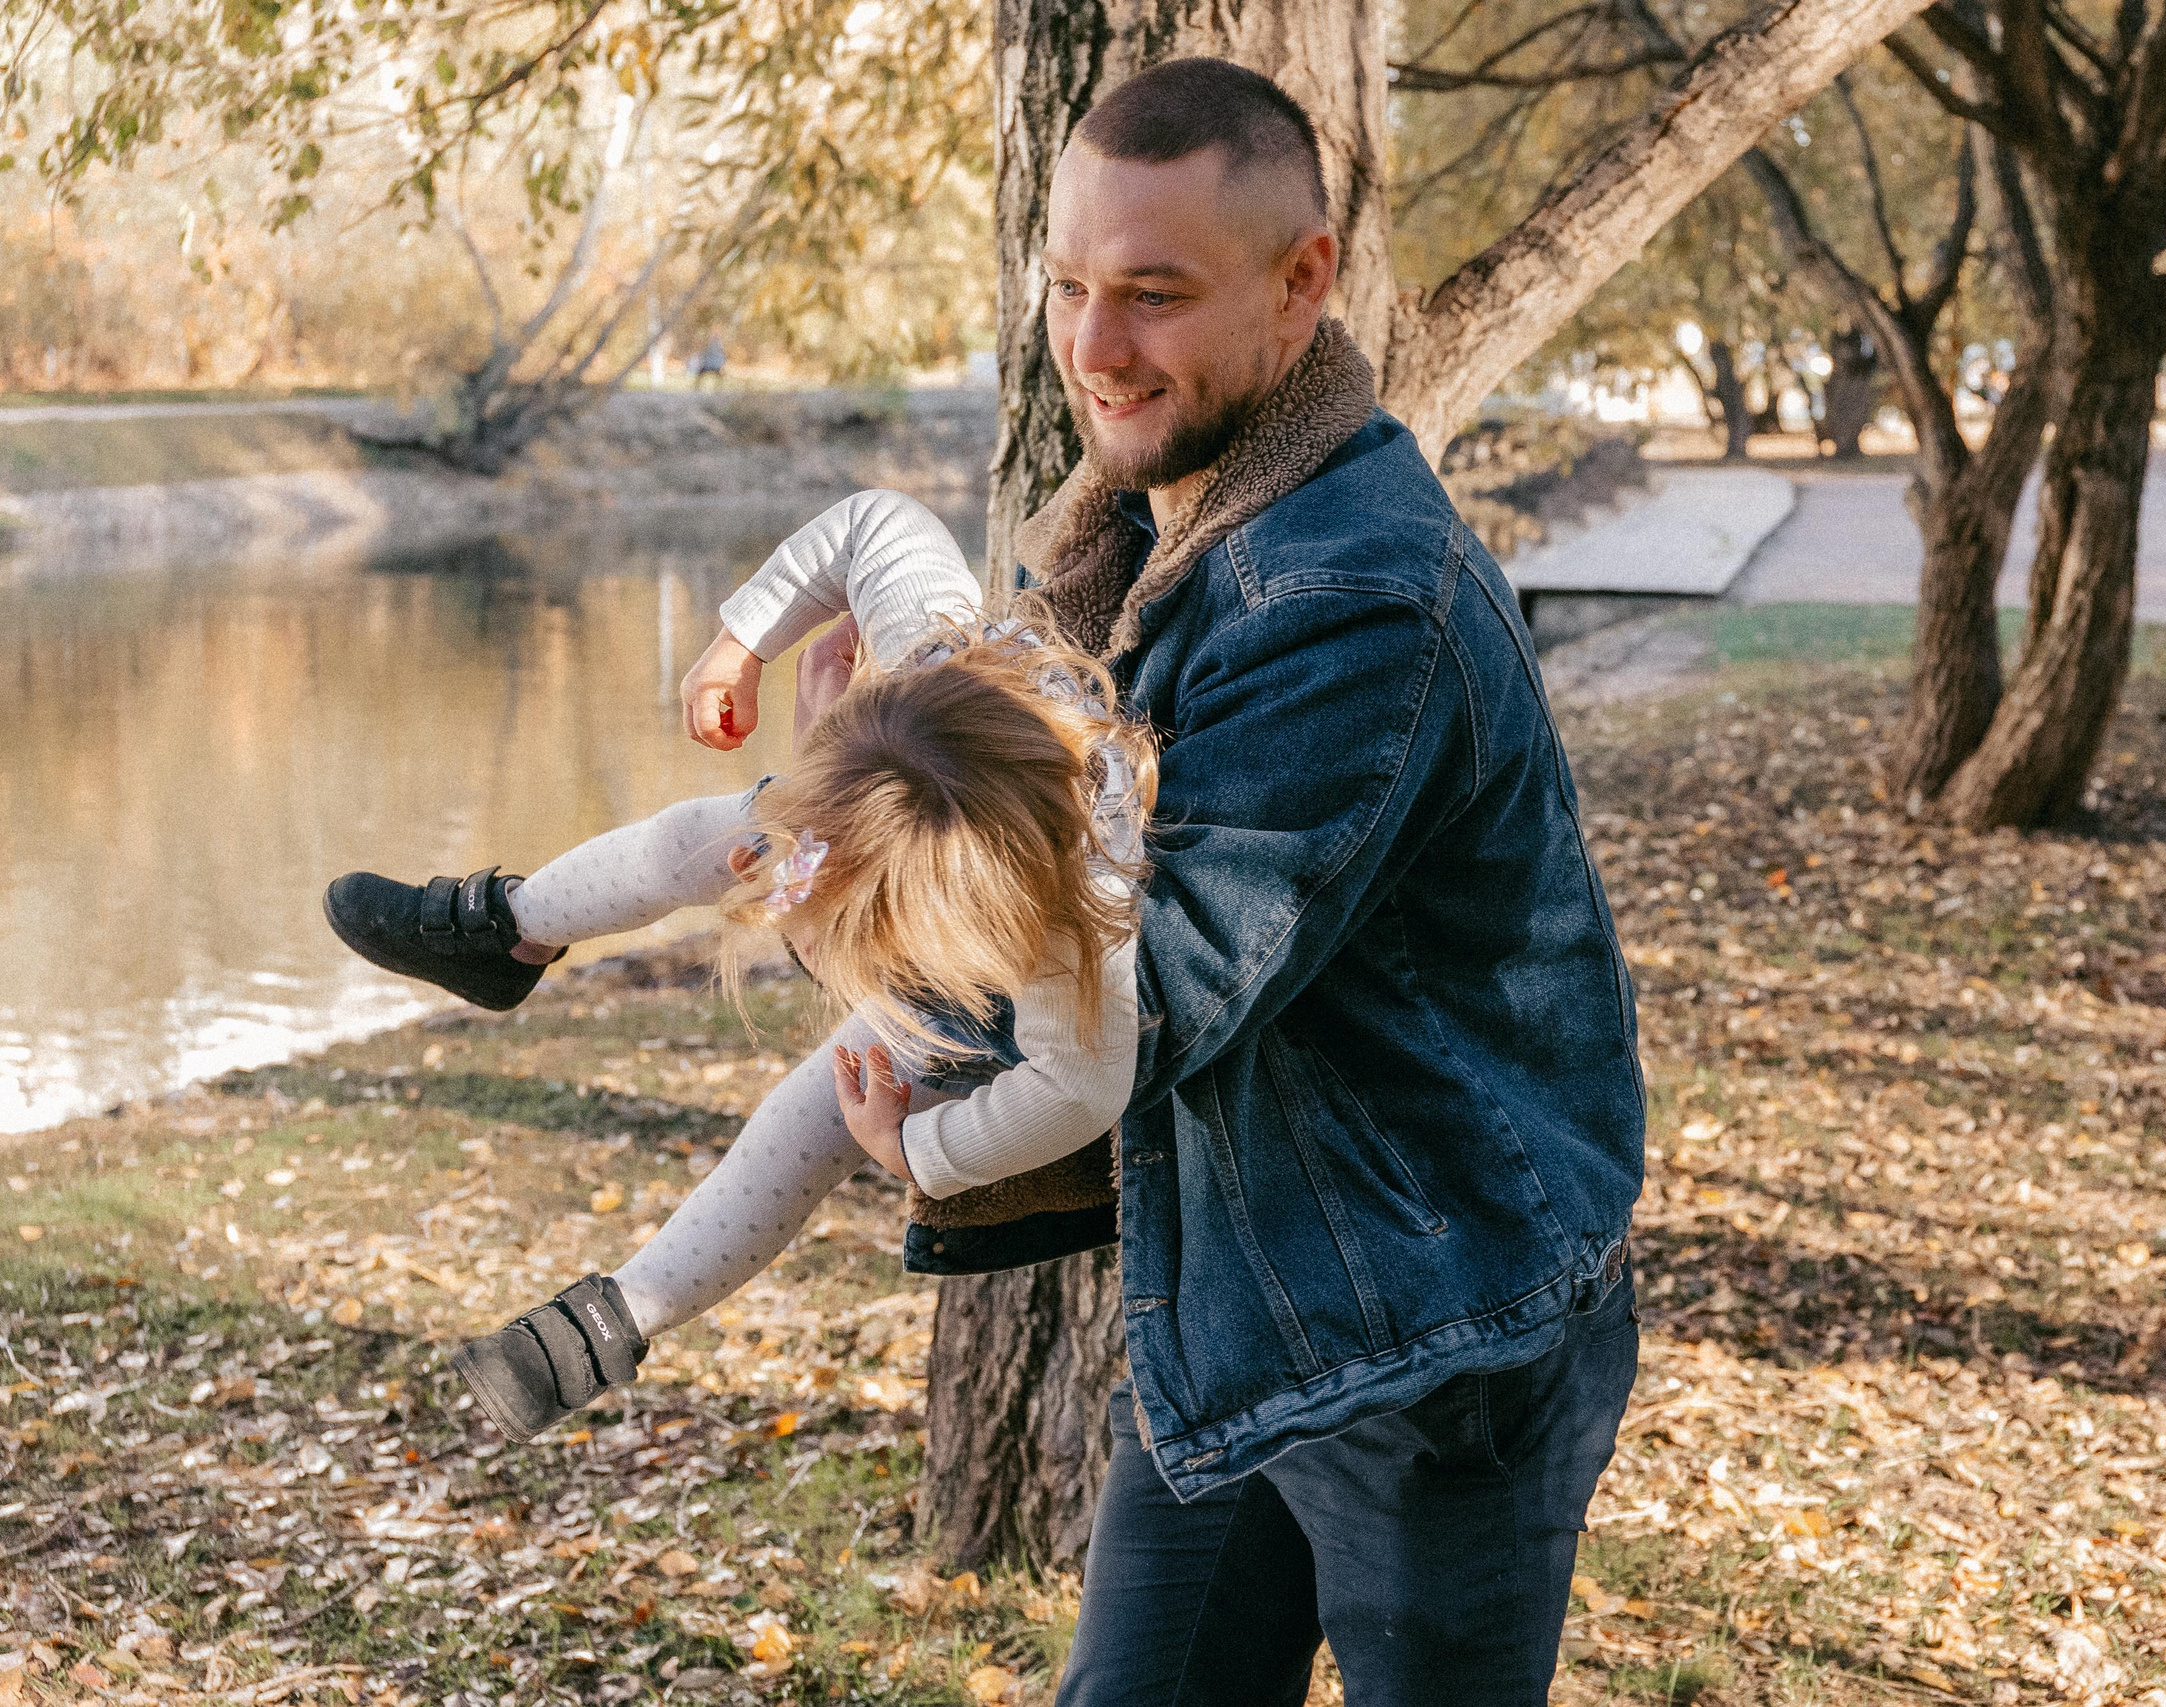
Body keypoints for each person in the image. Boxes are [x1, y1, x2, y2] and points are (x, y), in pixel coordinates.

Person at [685, 57, 1647, 1706]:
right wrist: (875, 765)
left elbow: (1147, 993)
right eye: (1068, 287)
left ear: (1303, 284)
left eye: (1152, 294)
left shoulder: (1348, 601)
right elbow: (1024, 803)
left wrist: (872, 862)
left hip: (1435, 1341)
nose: (1094, 345)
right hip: (1241, 1306)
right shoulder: (1134, 537)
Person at [321, 490, 1154, 1441]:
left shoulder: (1070, 934)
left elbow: (1082, 1087)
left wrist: (917, 1150)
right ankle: (502, 930)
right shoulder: (927, 655)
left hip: (976, 984)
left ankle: (614, 1318)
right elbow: (874, 523)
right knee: (692, 837)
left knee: (810, 1116)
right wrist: (744, 641)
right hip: (887, 802)